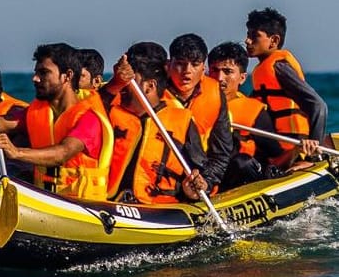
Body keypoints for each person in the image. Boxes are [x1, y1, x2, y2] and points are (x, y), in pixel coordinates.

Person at [0, 39, 113, 199]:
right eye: (36, 72)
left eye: (43, 73)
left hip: (82, 205)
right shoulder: (37, 112)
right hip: (45, 197)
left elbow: (62, 153)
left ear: (67, 76)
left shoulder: (89, 117)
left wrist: (17, 152)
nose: (35, 78)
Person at [106, 45, 209, 204]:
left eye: (128, 84)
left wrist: (193, 189)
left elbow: (199, 169)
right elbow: (90, 107)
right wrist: (114, 83)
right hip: (112, 202)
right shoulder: (111, 112)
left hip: (160, 206)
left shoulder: (182, 121)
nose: (123, 89)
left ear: (150, 86)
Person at [245, 7, 328, 169]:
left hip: (296, 148)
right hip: (277, 149)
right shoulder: (260, 72)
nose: (247, 41)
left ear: (274, 41)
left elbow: (319, 106)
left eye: (254, 36)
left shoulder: (279, 67)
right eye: (248, 35)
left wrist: (312, 154)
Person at [161, 33, 234, 193]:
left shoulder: (215, 94)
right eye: (180, 64)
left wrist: (206, 182)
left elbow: (221, 153)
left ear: (203, 68)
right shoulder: (153, 94)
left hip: (197, 177)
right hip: (158, 180)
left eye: (194, 64)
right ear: (169, 64)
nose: (187, 71)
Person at [208, 40, 276, 188]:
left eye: (228, 71)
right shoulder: (193, 106)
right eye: (214, 70)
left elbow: (275, 154)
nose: (219, 78)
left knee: (242, 161)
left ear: (242, 77)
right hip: (209, 177)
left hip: (242, 176)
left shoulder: (254, 112)